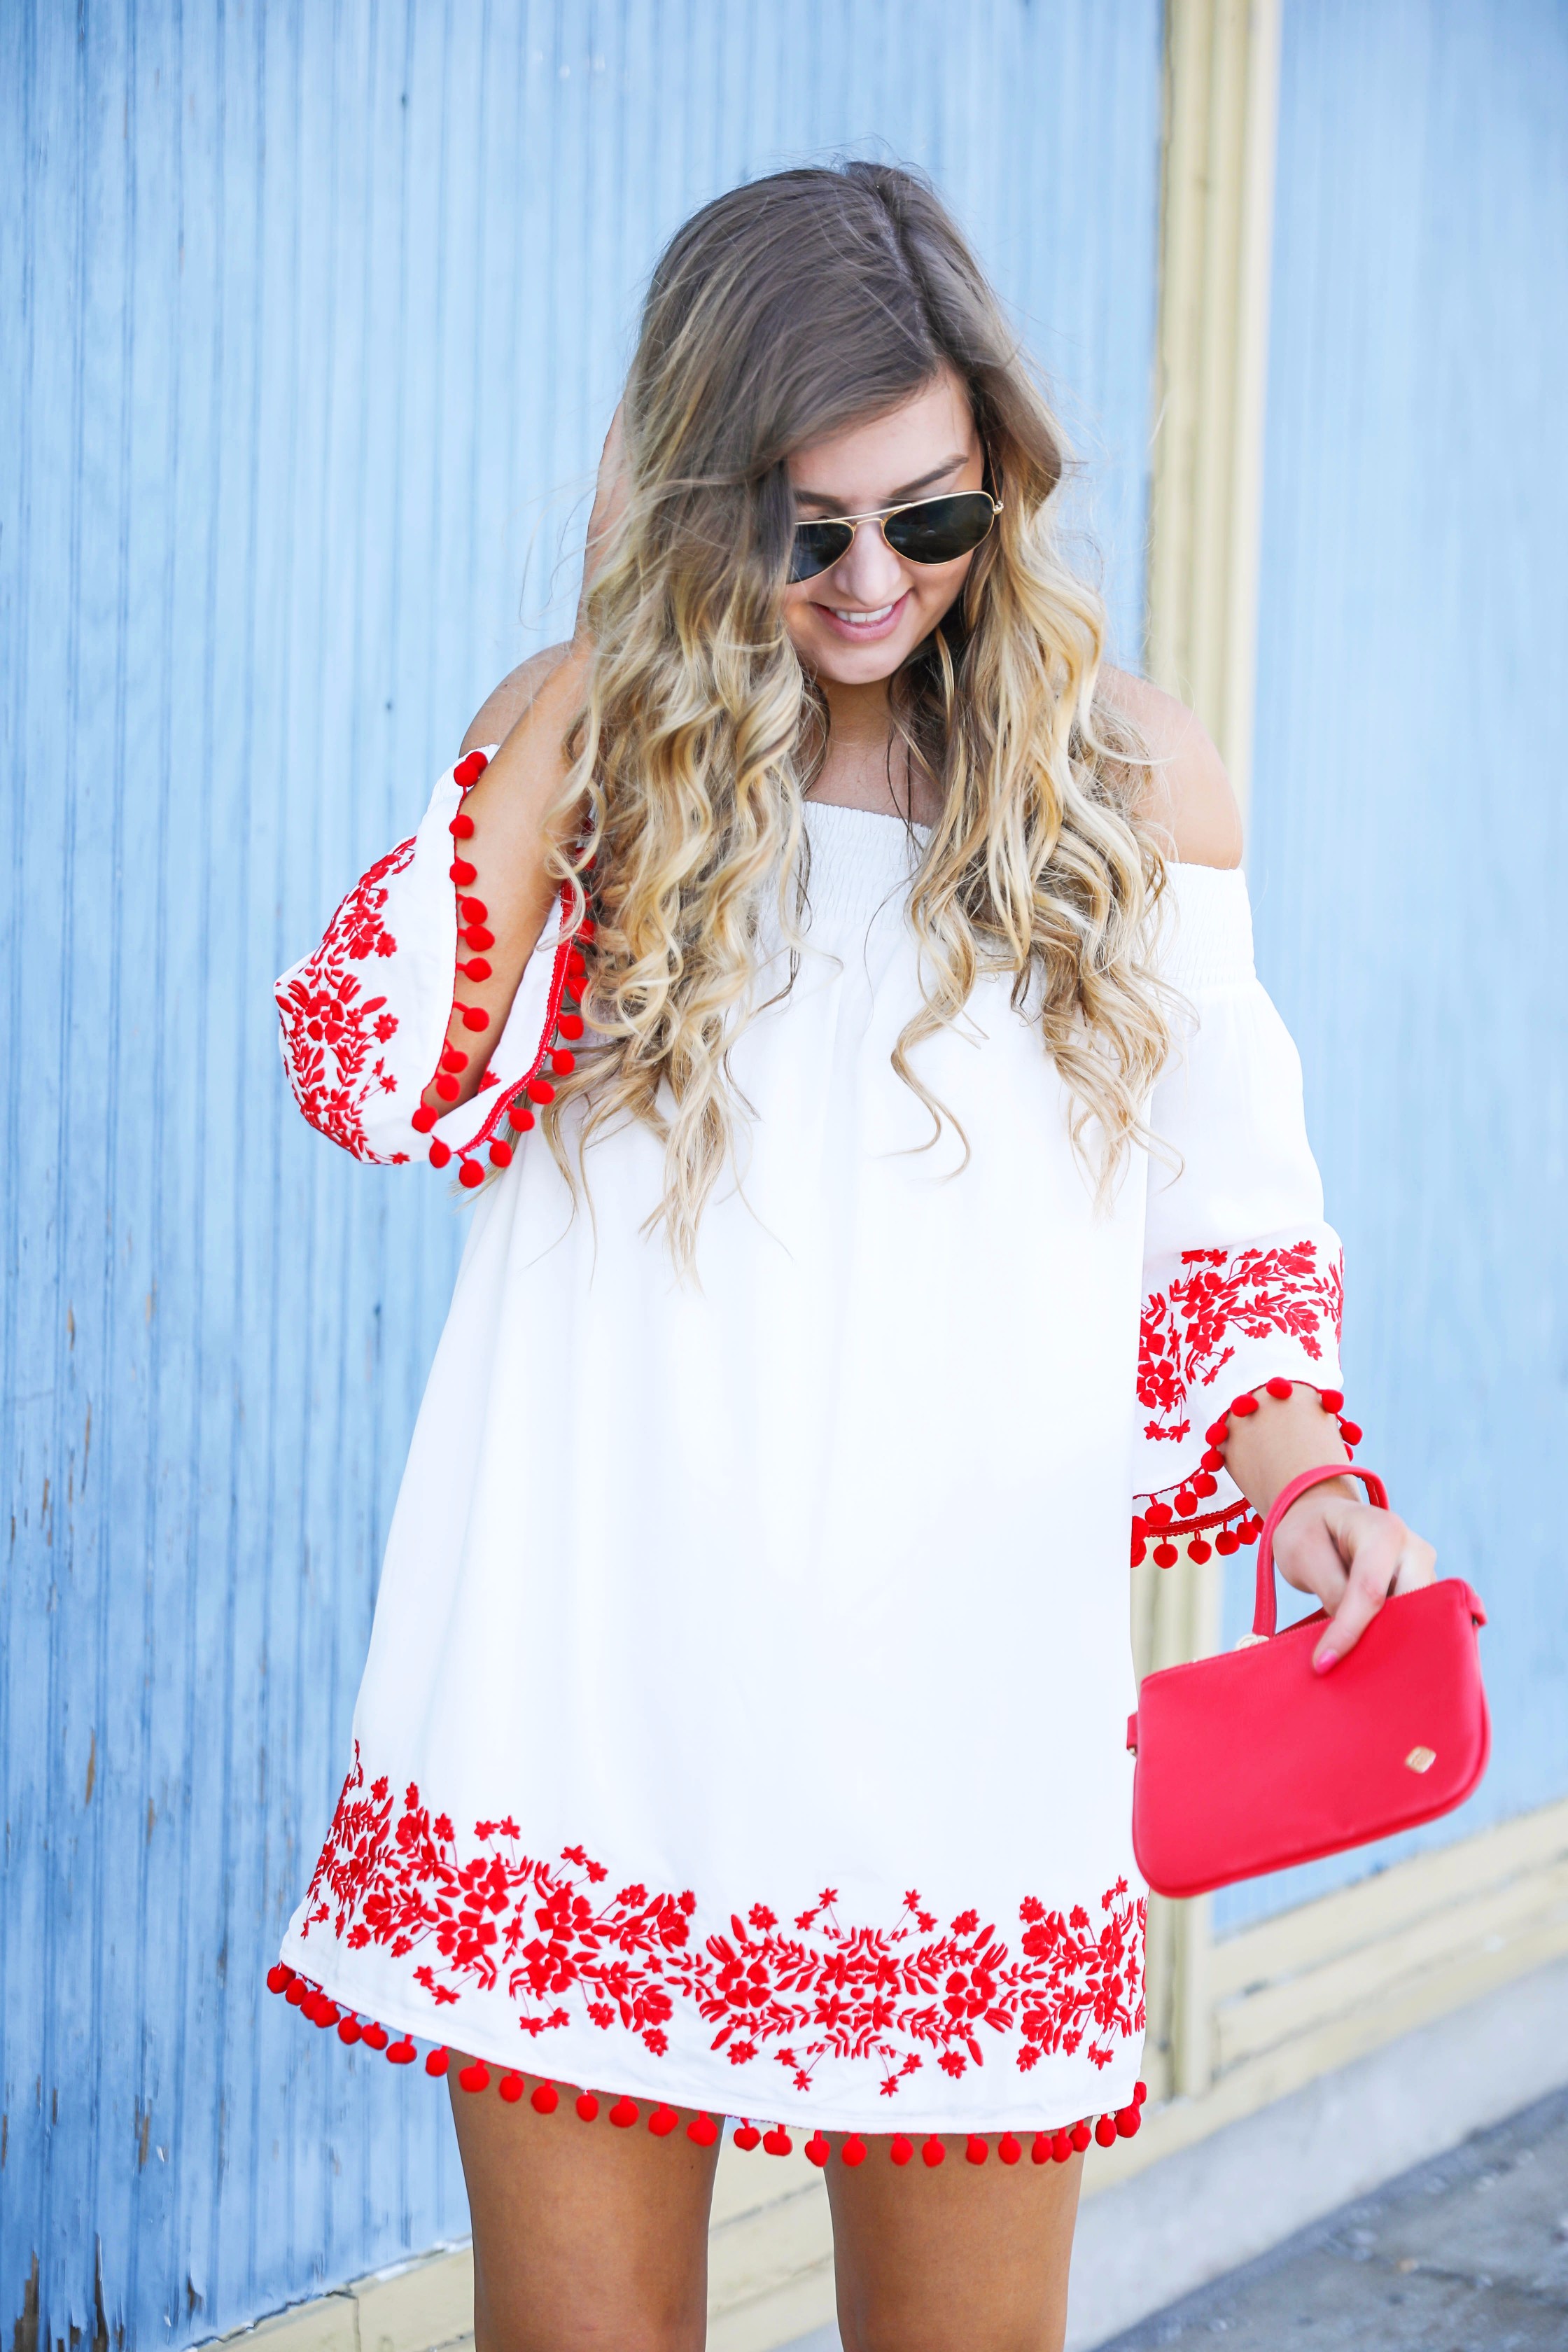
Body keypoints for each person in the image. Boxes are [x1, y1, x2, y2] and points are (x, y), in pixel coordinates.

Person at [270, 164, 1435, 2352]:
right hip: (593, 1689)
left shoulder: (1128, 788)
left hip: (962, 1719)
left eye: (932, 516)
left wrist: (1308, 1485)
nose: (875, 579)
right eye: (806, 526)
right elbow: (369, 1071)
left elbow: (1234, 1231)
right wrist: (602, 657)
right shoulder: (602, 748)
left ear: (1000, 480)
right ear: (706, 501)